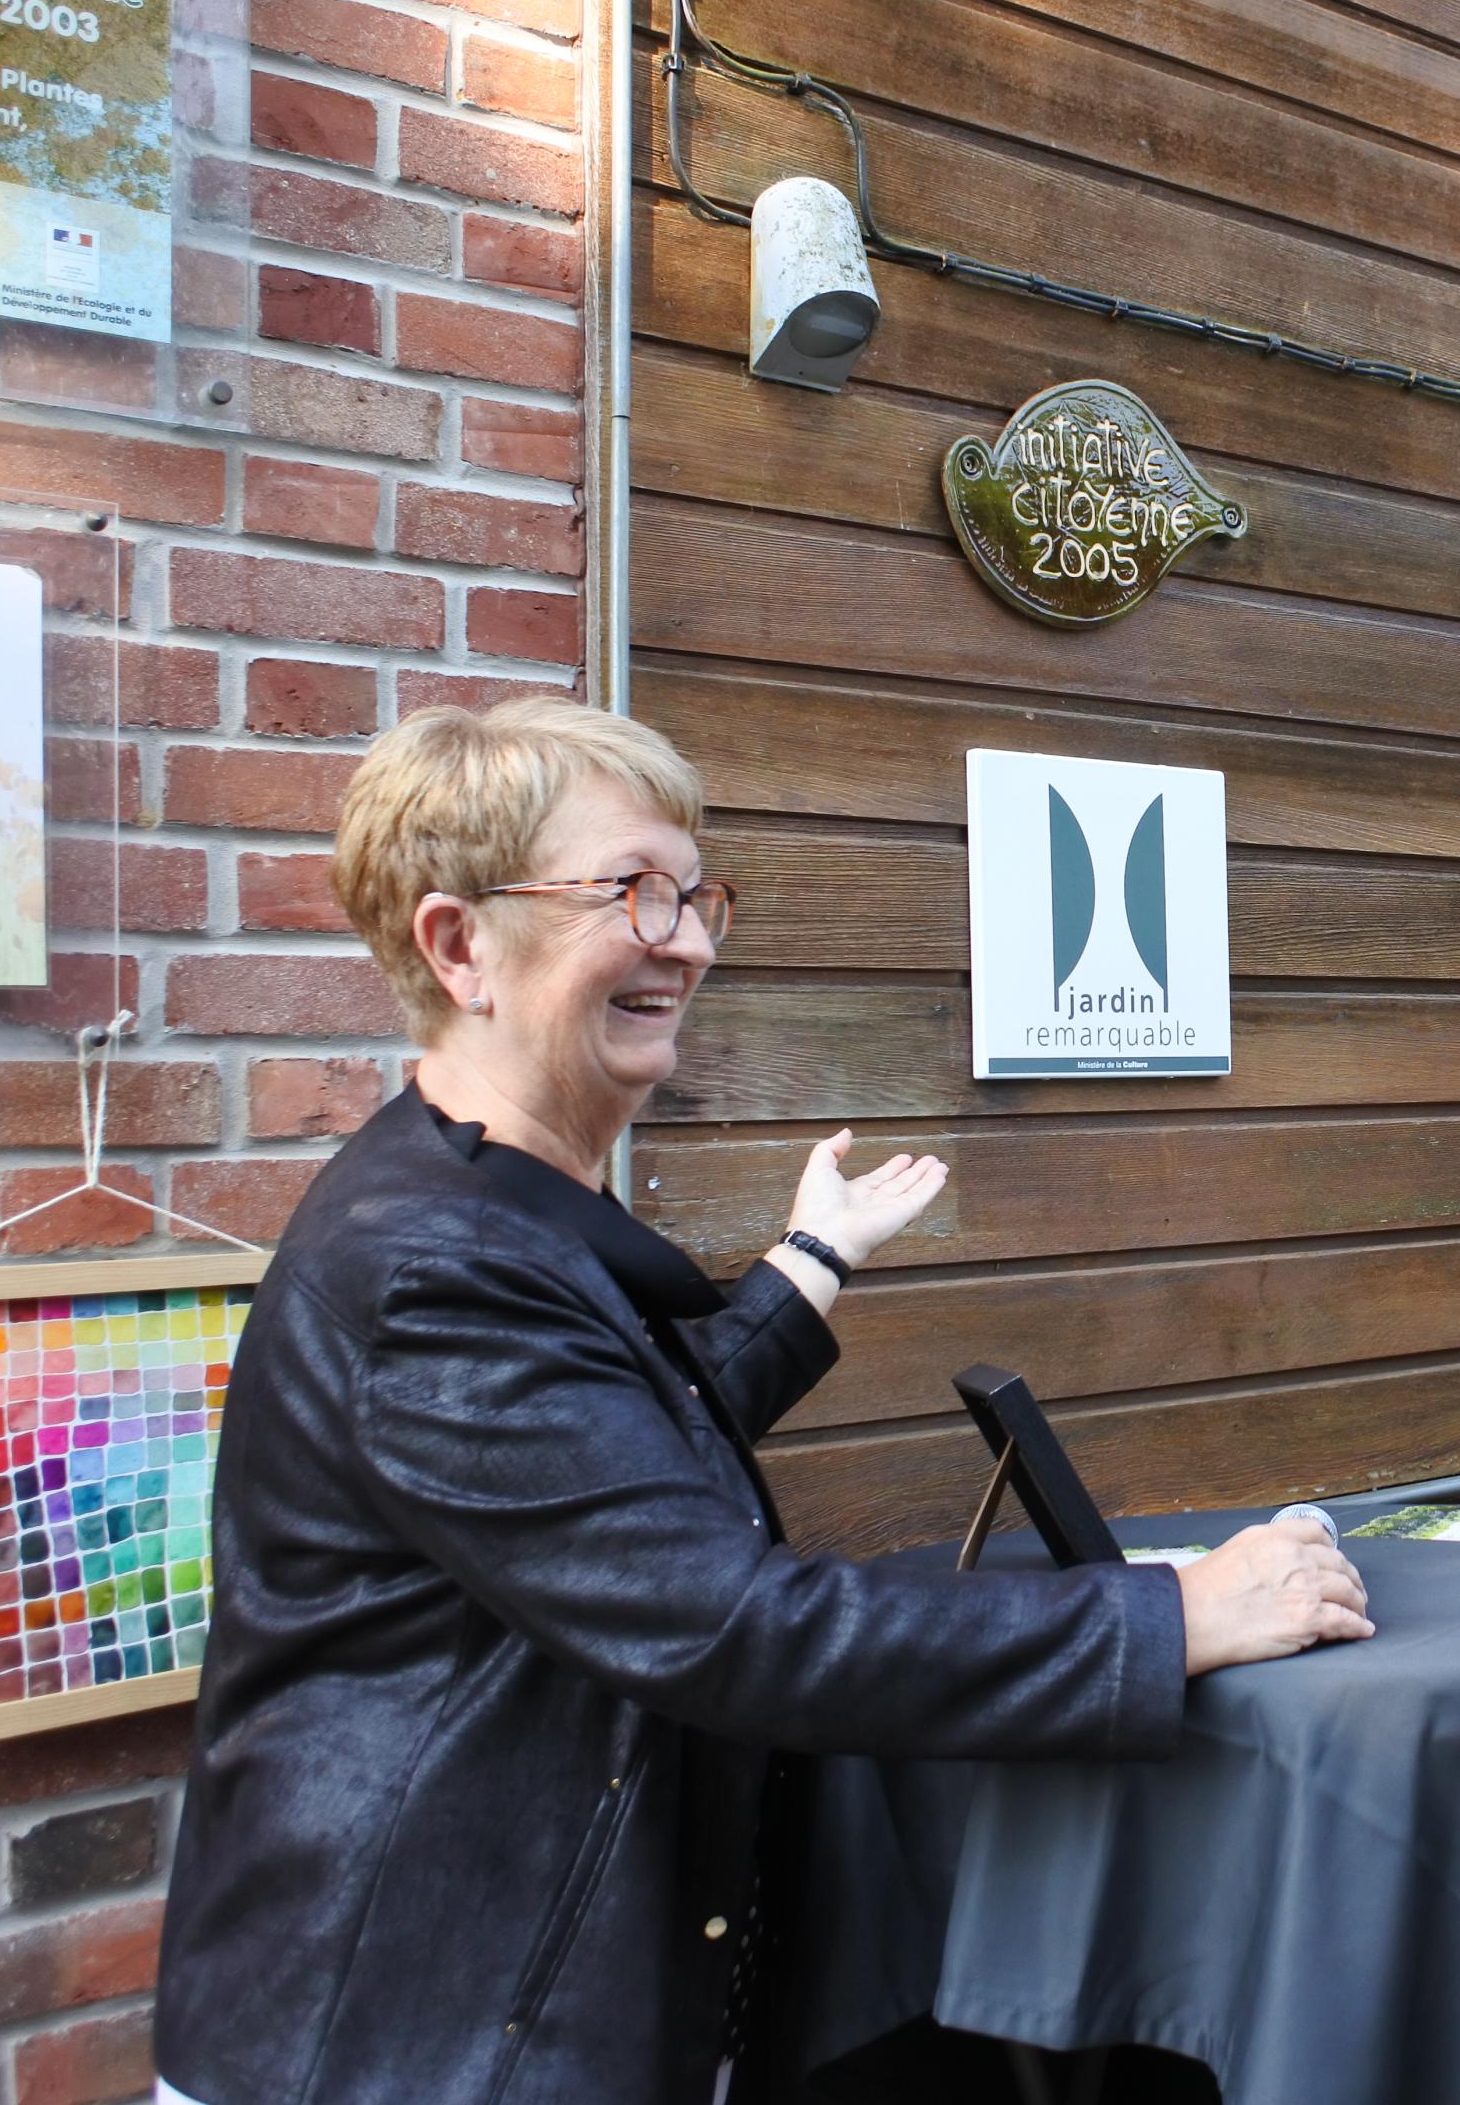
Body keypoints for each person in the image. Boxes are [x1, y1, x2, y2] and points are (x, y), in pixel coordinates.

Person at [151, 699, 1372, 2105]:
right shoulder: (434, 1263)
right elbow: (727, 1622)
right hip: (414, 2047)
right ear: (458, 943)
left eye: (694, 892)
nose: (686, 939)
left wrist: (810, 1263)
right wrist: (1171, 1618)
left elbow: (606, 1464)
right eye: (630, 892)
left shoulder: (489, 1210)